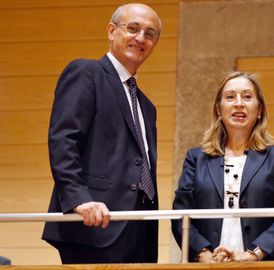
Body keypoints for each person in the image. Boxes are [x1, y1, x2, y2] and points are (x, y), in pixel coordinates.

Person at [41, 3, 162, 264]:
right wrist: (78, 199)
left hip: (139, 227)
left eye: (150, 34)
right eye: (133, 28)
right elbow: (64, 140)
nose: (141, 38)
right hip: (93, 219)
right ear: (111, 30)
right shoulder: (86, 72)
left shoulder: (147, 106)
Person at [172, 72, 274, 263]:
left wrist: (252, 255)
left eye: (247, 97)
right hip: (208, 266)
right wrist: (204, 254)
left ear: (259, 110)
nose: (238, 103)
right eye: (230, 97)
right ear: (218, 109)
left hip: (265, 264)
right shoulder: (196, 158)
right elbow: (180, 217)